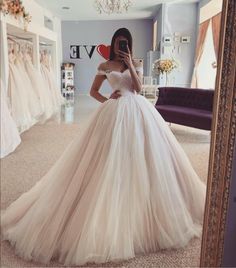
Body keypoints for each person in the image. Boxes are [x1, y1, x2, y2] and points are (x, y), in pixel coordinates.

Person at [1, 28, 206, 266]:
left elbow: (138, 89)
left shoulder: (135, 62)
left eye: (126, 42)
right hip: (114, 113)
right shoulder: (104, 65)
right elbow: (93, 91)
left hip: (139, 112)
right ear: (113, 43)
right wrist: (107, 101)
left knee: (147, 156)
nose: (123, 45)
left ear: (130, 44)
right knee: (106, 159)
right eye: (120, 42)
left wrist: (130, 64)